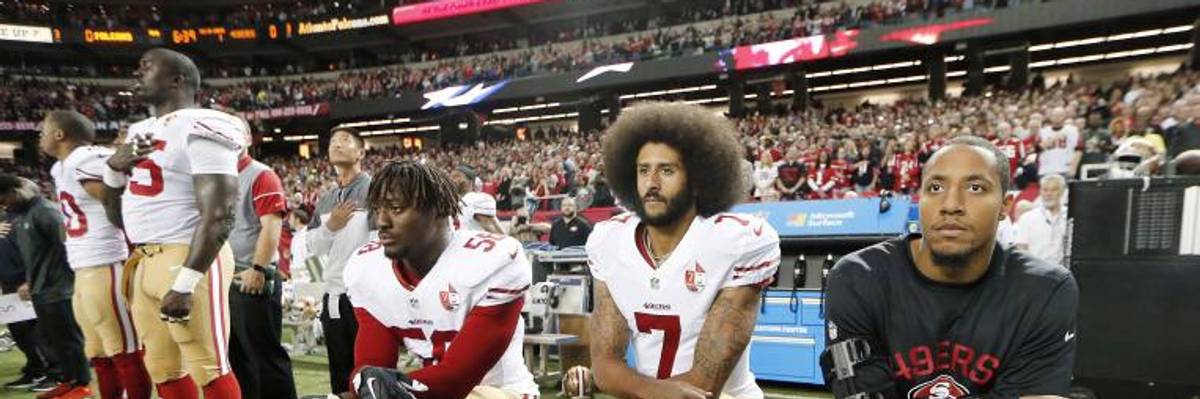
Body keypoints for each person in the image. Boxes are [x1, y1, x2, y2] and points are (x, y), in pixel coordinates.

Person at [821, 136, 1077, 398]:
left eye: (975, 188)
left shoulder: (1045, 289)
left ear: (1004, 206)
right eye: (935, 188)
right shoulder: (858, 278)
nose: (951, 205)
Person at [587, 102, 781, 399]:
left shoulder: (736, 241)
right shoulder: (608, 240)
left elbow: (703, 385)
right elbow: (604, 366)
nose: (651, 183)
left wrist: (639, 389)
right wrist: (651, 390)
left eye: (666, 170)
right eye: (643, 170)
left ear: (696, 179)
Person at [101, 48, 245, 398]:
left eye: (146, 67)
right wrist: (112, 169)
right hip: (142, 258)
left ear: (177, 79)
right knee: (162, 369)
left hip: (186, 252)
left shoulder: (205, 122)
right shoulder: (138, 130)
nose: (137, 74)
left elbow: (221, 213)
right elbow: (116, 216)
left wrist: (187, 281)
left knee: (208, 366)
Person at [344, 160, 538, 399]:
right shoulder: (368, 269)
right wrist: (364, 383)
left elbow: (456, 379)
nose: (381, 222)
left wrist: (383, 390)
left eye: (395, 208)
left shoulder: (493, 261)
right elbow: (371, 369)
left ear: (438, 209)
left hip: (501, 392)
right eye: (377, 209)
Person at [40, 110, 153, 399]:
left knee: (125, 350)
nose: (39, 136)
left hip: (106, 265)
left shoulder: (83, 159)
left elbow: (118, 202)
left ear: (59, 134)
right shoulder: (60, 167)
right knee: (100, 353)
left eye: (44, 130)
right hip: (84, 269)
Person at [0, 174, 93, 399]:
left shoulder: (46, 212)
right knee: (54, 339)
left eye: (4, 199)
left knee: (70, 339)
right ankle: (69, 381)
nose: (3, 205)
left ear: (16, 191)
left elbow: (67, 247)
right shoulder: (24, 215)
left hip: (59, 288)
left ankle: (83, 385)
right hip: (40, 289)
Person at [227, 124, 296, 399]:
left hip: (252, 273)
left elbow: (271, 228)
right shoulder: (215, 177)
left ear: (247, 138)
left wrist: (258, 268)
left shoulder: (261, 174)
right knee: (236, 356)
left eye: (236, 131)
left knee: (264, 354)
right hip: (226, 276)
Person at [305, 127, 373, 396]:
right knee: (339, 372)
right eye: (333, 141)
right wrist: (331, 225)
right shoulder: (327, 199)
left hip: (365, 294)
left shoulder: (374, 189)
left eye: (345, 141)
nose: (337, 145)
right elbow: (313, 246)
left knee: (368, 371)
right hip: (333, 293)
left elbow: (382, 243)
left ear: (361, 152)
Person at [0, 210, 56, 393]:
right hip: (9, 285)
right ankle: (36, 369)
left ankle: (56, 373)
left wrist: (29, 280)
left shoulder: (14, 222)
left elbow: (35, 252)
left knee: (41, 330)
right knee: (19, 332)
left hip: (28, 283)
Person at [1014, 174, 1068, 267]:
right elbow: (1021, 249)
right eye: (1045, 190)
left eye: (1053, 189)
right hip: (1035, 272)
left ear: (1062, 191)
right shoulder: (1028, 218)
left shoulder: (1069, 217)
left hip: (1063, 274)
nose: (1048, 194)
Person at [450, 166, 505, 234]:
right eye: (451, 177)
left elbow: (491, 226)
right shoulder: (453, 204)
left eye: (457, 176)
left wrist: (507, 243)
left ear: (470, 182)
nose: (452, 180)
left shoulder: (475, 198)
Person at [1037, 107, 1082, 179]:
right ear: (1051, 117)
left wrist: (1073, 167)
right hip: (1046, 170)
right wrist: (1054, 138)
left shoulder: (1072, 130)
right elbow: (1037, 149)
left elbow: (1079, 150)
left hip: (1065, 169)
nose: (1057, 117)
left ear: (1065, 117)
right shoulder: (1043, 132)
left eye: (1060, 115)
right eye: (1055, 115)